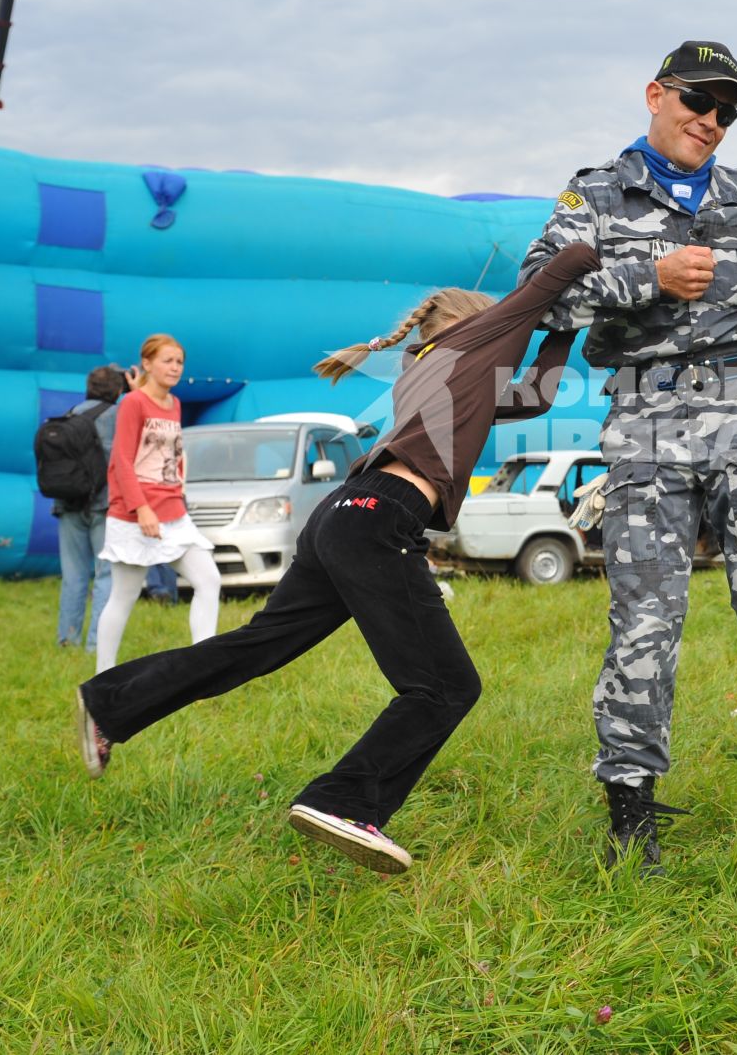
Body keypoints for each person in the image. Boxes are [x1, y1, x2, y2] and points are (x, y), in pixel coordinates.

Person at [75, 245, 599, 875]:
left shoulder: (424, 365)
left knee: (256, 645)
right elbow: (562, 266)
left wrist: (563, 328)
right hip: (380, 519)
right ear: (471, 328)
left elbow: (535, 396)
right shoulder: (467, 349)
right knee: (446, 688)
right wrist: (597, 254)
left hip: (343, 514)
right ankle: (344, 801)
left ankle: (112, 701)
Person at [520, 40, 737, 871]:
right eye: (696, 101)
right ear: (655, 94)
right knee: (645, 617)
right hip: (644, 414)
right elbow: (544, 293)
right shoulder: (598, 192)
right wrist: (648, 273)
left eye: (726, 111)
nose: (710, 121)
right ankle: (631, 814)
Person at [91, 334, 222, 673]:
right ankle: (103, 674)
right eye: (167, 360)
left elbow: (171, 454)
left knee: (209, 580)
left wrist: (177, 493)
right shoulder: (133, 403)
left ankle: (202, 671)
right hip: (135, 515)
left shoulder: (175, 404)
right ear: (146, 364)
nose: (175, 367)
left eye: (179, 361)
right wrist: (141, 508)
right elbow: (121, 460)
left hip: (173, 513)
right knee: (124, 595)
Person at [55, 365, 125, 649]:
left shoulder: (70, 414)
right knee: (106, 573)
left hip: (68, 503)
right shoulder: (118, 415)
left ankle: (67, 639)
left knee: (73, 576)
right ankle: (96, 643)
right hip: (104, 505)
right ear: (118, 389)